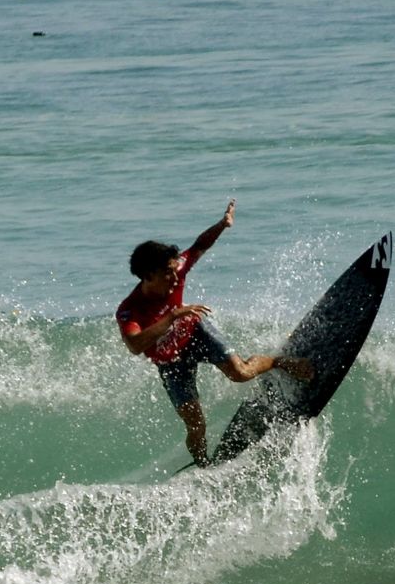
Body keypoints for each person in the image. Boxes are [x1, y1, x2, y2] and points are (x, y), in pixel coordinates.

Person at [116, 199, 312, 467]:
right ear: (148, 275)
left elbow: (199, 246)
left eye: (175, 270)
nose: (176, 277)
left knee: (240, 373)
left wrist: (222, 225)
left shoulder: (175, 270)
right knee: (196, 426)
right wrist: (173, 316)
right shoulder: (130, 310)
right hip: (170, 362)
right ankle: (203, 465)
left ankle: (278, 362)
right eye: (168, 274)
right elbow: (135, 345)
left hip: (195, 333)